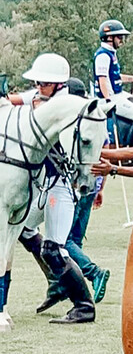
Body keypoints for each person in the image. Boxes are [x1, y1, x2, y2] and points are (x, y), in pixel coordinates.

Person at [9, 54, 97, 324]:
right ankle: (57, 282)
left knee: (54, 249)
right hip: (43, 184)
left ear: (58, 85)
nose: (38, 87)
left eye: (43, 84)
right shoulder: (43, 96)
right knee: (25, 230)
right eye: (37, 83)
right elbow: (17, 100)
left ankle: (84, 306)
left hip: (60, 185)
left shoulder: (68, 107)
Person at [36, 76, 111, 313]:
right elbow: (104, 151)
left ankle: (92, 274)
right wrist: (101, 186)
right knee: (73, 240)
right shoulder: (97, 116)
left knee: (63, 242)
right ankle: (59, 286)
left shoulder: (73, 120)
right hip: (92, 182)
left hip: (75, 184)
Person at [93, 20, 133, 136]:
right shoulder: (103, 55)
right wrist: (108, 100)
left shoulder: (111, 53)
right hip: (111, 98)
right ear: (109, 38)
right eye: (119, 37)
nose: (122, 40)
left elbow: (114, 77)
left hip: (118, 95)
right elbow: (102, 80)